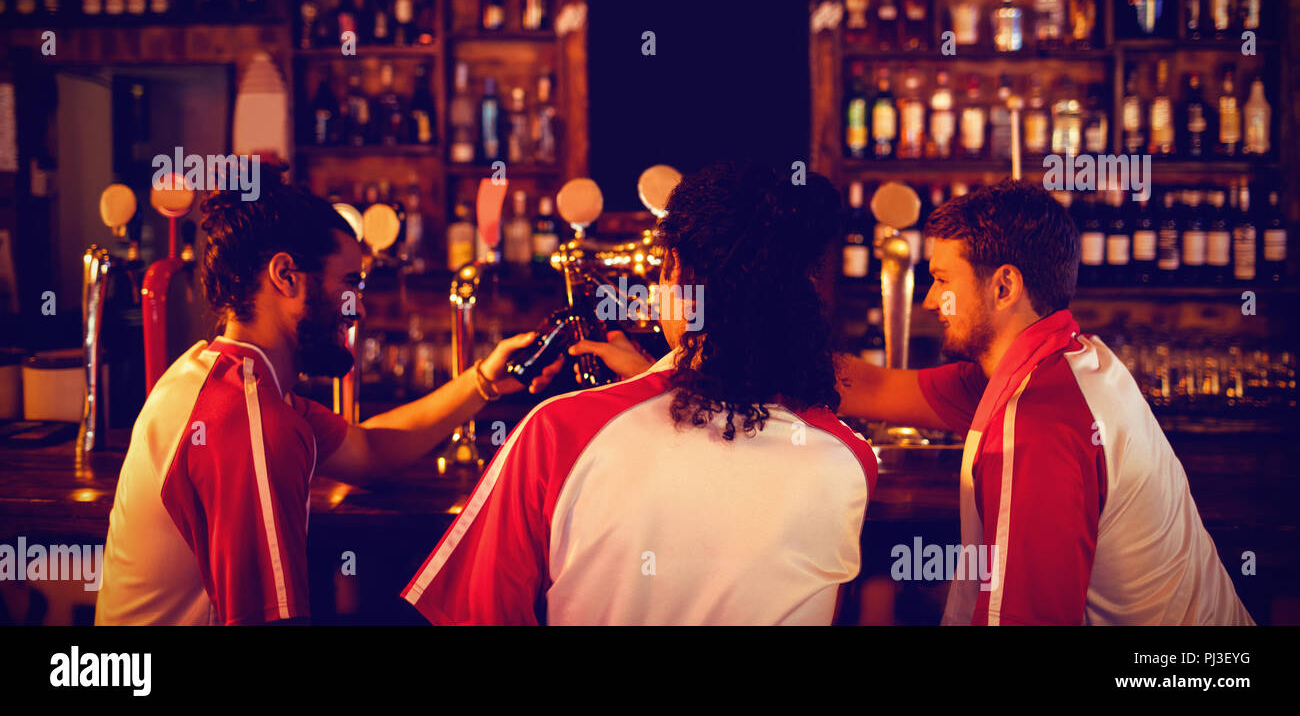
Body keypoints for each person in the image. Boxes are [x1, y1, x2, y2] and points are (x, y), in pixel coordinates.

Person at [402, 161, 877, 625]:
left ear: (671, 266)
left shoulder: (558, 433)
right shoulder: (849, 459)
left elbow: (479, 614)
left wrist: (641, 388)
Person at [96, 172, 559, 625]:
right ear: (286, 276)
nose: (359, 306)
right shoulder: (245, 420)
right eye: (349, 284)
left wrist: (485, 380)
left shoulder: (222, 377)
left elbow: (369, 450)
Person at [831, 179, 1251, 625]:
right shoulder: (1067, 361)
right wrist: (763, 354)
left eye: (942, 280)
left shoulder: (1036, 426)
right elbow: (873, 388)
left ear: (1005, 287)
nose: (932, 301)